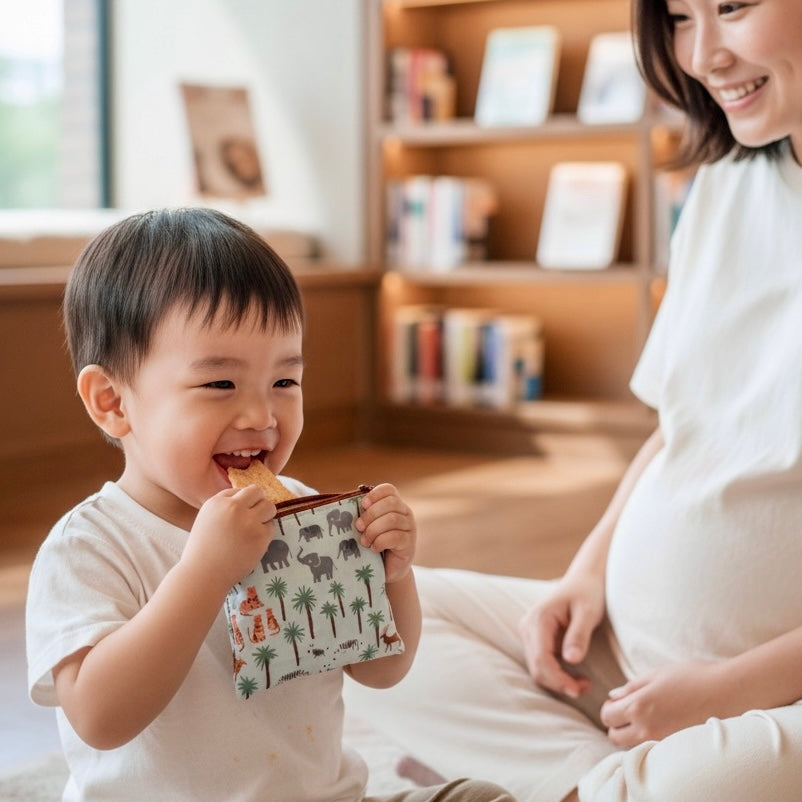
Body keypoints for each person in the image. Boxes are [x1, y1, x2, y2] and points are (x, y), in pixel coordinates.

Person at [343, 0, 802, 799]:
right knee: (362, 613)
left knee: (711, 780)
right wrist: (583, 576)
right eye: (682, 18)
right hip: (626, 662)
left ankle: (573, 777)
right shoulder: (726, 187)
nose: (704, 54)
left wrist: (724, 695)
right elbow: (678, 427)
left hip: (772, 697)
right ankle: (602, 780)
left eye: (732, 7)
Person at [25, 208, 514, 802]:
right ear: (112, 402)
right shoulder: (91, 547)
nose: (261, 416)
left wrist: (394, 577)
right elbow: (101, 718)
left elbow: (381, 669)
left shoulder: (306, 514)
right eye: (220, 385)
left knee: (482, 797)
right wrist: (204, 572)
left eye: (285, 382)